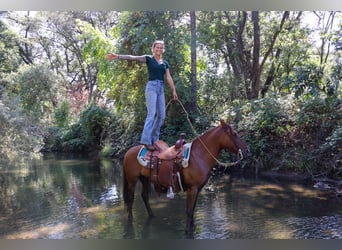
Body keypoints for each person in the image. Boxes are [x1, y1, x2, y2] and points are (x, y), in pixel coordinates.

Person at [106, 40, 178, 151]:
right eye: (157, 47)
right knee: (151, 113)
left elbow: (168, 77)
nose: (159, 49)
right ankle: (146, 141)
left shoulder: (165, 63)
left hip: (161, 88)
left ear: (163, 50)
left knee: (162, 115)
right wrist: (118, 56)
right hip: (151, 88)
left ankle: (154, 140)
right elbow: (132, 57)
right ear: (153, 49)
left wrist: (174, 90)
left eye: (161, 48)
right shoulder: (148, 59)